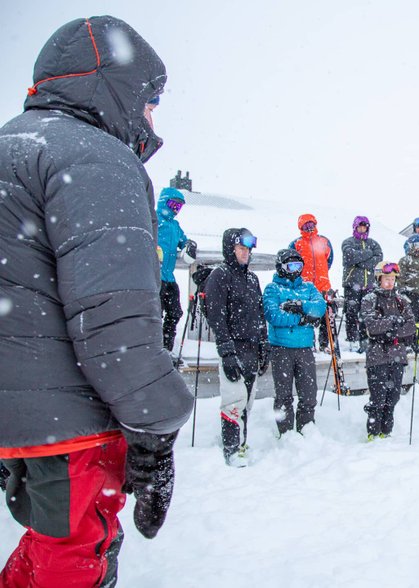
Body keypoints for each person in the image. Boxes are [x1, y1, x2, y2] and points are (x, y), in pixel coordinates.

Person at [0, 16, 192, 585]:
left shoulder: (12, 145)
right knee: (76, 552)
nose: (152, 116)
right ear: (113, 85)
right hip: (71, 413)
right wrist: (156, 433)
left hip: (21, 410)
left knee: (48, 540)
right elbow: (115, 322)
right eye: (150, 100)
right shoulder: (97, 159)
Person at [203, 228, 269, 467]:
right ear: (230, 250)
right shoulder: (220, 276)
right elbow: (216, 317)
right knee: (234, 399)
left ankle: (241, 442)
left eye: (248, 250)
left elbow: (260, 315)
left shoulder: (252, 279)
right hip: (233, 347)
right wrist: (226, 351)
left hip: (252, 347)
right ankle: (231, 450)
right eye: (241, 249)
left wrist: (264, 346)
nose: (246, 254)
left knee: (248, 400)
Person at [263, 249, 327, 437]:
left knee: (308, 392)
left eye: (299, 265)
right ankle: (286, 432)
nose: (295, 270)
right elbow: (273, 315)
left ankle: (306, 427)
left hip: (304, 347)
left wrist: (301, 306)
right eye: (291, 266)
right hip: (281, 348)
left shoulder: (308, 288)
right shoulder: (273, 288)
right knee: (283, 394)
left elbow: (319, 307)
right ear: (282, 267)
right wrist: (302, 319)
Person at [361, 261, 417, 440]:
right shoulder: (370, 299)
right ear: (379, 279)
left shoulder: (402, 300)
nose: (390, 282)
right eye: (386, 279)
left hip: (397, 354)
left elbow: (410, 326)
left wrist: (393, 331)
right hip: (377, 355)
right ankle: (373, 433)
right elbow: (371, 325)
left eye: (392, 279)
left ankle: (387, 432)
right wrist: (392, 322)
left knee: (393, 398)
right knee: (378, 398)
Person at [157, 185, 197, 353]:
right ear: (164, 202)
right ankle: (153, 348)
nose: (176, 210)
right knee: (154, 315)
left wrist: (189, 245)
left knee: (175, 312)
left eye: (179, 206)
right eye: (174, 205)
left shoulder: (175, 226)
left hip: (169, 277)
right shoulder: (153, 220)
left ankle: (166, 348)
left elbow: (183, 240)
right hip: (154, 276)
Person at [289, 213, 335, 351]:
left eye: (311, 224)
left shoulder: (324, 241)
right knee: (307, 316)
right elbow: (291, 264)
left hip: (323, 286)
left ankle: (324, 343)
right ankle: (310, 343)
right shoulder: (296, 244)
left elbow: (330, 259)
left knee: (326, 315)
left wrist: (322, 273)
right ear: (301, 227)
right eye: (306, 225)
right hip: (305, 287)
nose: (309, 228)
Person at [341, 216, 383, 353]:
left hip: (369, 286)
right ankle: (352, 339)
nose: (362, 229)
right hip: (352, 285)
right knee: (351, 313)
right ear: (355, 227)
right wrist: (368, 254)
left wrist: (360, 260)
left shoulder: (374, 243)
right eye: (360, 226)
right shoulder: (348, 242)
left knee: (367, 314)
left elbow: (378, 260)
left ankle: (365, 340)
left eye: (365, 227)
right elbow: (349, 257)